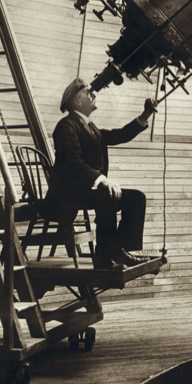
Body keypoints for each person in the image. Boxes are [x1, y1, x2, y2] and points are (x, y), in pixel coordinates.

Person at [48, 79, 158, 269]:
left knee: (136, 198)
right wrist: (101, 180)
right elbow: (73, 162)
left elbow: (120, 135)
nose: (94, 95)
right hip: (66, 195)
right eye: (87, 93)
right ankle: (103, 258)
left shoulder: (91, 128)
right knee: (106, 194)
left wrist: (145, 114)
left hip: (85, 192)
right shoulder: (66, 126)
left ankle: (123, 250)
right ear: (77, 101)